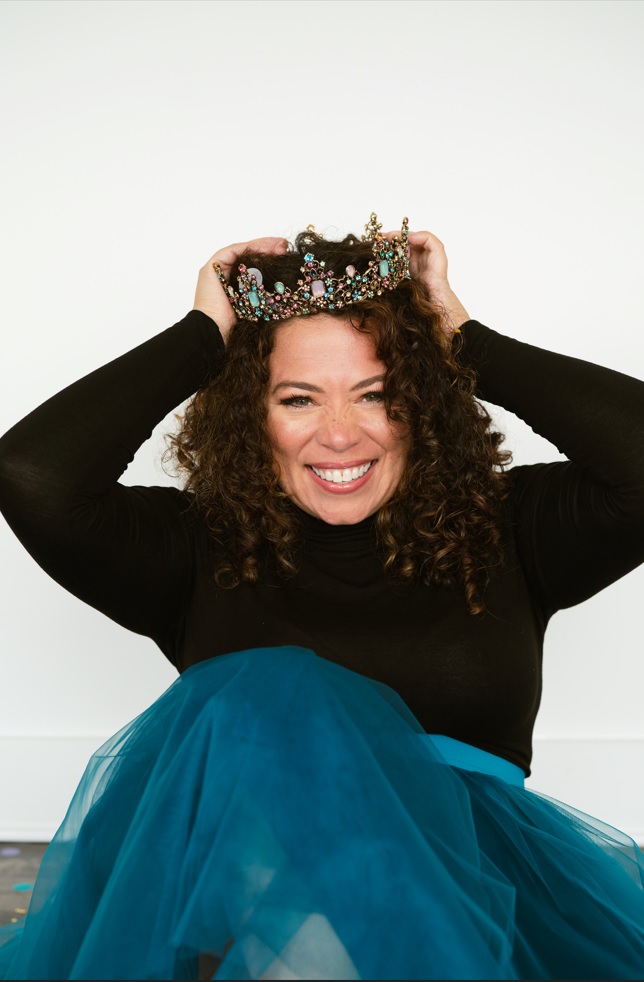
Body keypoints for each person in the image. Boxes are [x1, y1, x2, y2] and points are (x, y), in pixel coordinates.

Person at [0, 213, 643, 981]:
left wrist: (465, 337)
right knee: (271, 691)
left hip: (481, 894)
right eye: (299, 400)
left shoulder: (509, 526)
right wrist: (204, 334)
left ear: (425, 405)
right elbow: (33, 477)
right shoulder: (197, 546)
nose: (339, 434)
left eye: (375, 394)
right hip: (253, 900)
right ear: (250, 417)